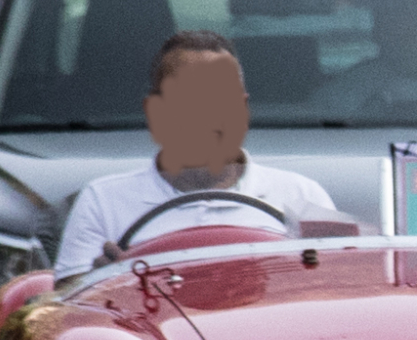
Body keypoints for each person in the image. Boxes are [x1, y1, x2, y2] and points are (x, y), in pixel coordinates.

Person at [53, 31, 339, 273]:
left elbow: (337, 296)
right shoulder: (103, 202)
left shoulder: (303, 197)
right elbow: (69, 318)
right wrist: (98, 282)